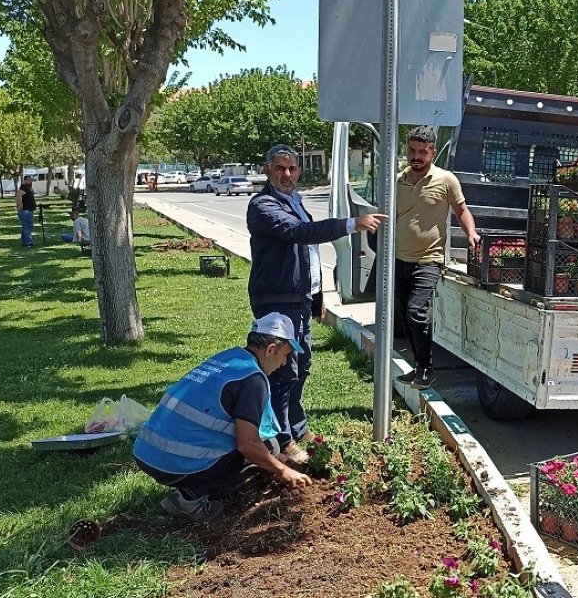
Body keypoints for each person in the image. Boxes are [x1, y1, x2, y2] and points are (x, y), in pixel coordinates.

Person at [247, 144, 385, 465]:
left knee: (301, 366)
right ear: (267, 171)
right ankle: (282, 440)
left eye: (292, 168)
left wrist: (317, 296)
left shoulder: (294, 201)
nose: (287, 174)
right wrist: (352, 223)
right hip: (276, 302)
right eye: (280, 168)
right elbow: (300, 233)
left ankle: (297, 427)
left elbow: (308, 254)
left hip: (298, 299)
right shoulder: (263, 205)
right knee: (282, 372)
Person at [133, 313, 314, 522]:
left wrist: (275, 461)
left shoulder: (229, 358)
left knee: (267, 449)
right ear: (271, 349)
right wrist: (282, 470)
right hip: (170, 462)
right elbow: (248, 445)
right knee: (268, 447)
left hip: (146, 451)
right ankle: (189, 498)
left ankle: (191, 481)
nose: (284, 363)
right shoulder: (252, 379)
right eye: (285, 355)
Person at [394, 126, 480, 388]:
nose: (416, 156)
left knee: (416, 312)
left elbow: (462, 210)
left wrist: (471, 233)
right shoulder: (397, 180)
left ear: (432, 152)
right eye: (412, 150)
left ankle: (427, 369)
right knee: (405, 317)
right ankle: (418, 368)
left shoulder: (446, 180)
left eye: (422, 152)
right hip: (399, 259)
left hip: (428, 260)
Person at [15, 174, 36, 247]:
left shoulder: (28, 188)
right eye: (28, 180)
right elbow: (18, 195)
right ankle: (28, 243)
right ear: (24, 180)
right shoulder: (24, 188)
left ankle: (24, 243)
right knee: (28, 227)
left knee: (25, 227)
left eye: (31, 180)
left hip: (27, 210)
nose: (30, 181)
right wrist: (20, 205)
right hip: (26, 210)